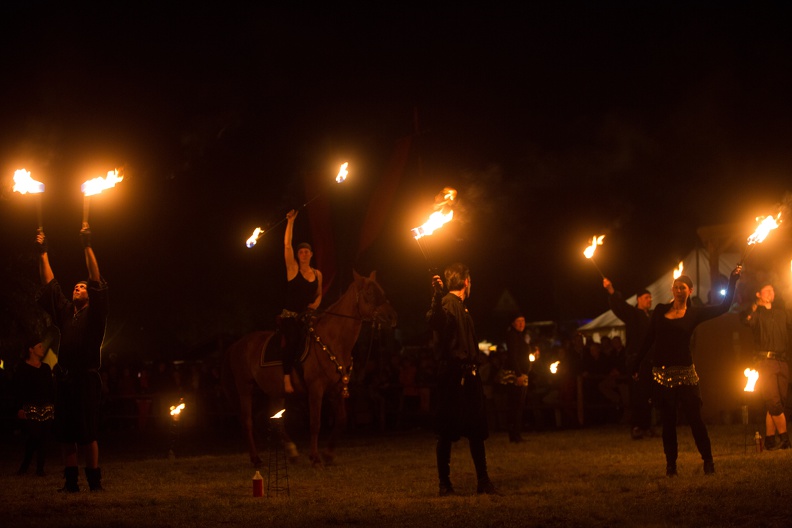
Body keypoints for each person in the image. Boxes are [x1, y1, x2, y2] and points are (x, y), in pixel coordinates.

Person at [633, 268, 741, 476]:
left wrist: (732, 281)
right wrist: (636, 364)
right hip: (662, 377)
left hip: (686, 375)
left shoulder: (694, 313)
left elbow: (724, 306)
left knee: (695, 420)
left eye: (682, 287)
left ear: (690, 291)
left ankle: (708, 461)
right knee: (668, 423)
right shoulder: (660, 310)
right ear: (672, 290)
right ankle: (671, 465)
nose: (678, 290)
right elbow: (648, 339)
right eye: (675, 287)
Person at [36, 224, 109, 492]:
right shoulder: (67, 313)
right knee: (66, 433)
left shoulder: (96, 315)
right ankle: (70, 482)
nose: (77, 288)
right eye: (75, 286)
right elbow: (49, 284)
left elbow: (95, 277)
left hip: (87, 379)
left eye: (82, 287)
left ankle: (93, 481)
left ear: (91, 295)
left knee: (87, 433)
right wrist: (42, 252)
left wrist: (87, 245)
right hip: (65, 380)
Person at [427, 263, 497, 496]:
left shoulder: (461, 307)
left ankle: (483, 482)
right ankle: (444, 484)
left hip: (469, 376)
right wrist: (436, 297)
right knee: (446, 431)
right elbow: (436, 321)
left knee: (476, 429)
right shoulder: (447, 303)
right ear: (466, 281)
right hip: (453, 377)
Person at [603, 279, 655, 439]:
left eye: (650, 297)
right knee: (637, 394)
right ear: (639, 299)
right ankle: (637, 427)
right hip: (635, 361)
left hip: (648, 361)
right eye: (647, 297)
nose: (649, 300)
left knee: (648, 394)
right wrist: (612, 291)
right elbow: (620, 307)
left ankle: (647, 427)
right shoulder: (632, 314)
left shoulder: (651, 317)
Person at [742, 283, 791, 450]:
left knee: (778, 403)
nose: (771, 293)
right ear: (759, 294)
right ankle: (785, 439)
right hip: (765, 362)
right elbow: (745, 320)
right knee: (773, 401)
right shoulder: (757, 313)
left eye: (773, 290)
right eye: (767, 290)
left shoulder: (781, 313)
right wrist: (755, 307)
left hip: (782, 361)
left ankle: (770, 440)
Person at [281, 209, 322, 394]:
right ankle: (287, 377)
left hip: (307, 316)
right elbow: (287, 245)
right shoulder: (292, 268)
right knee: (293, 341)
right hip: (290, 317)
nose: (304, 254)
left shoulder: (317, 274)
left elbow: (319, 294)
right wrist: (290, 222)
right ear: (298, 255)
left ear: (311, 254)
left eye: (307, 252)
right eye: (301, 252)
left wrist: (315, 305)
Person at [14, 337, 55, 476]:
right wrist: (19, 408)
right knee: (34, 435)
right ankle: (25, 464)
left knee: (44, 438)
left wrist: (53, 405)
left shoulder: (45, 368)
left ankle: (40, 469)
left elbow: (50, 388)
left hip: (46, 407)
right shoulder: (22, 368)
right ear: (31, 349)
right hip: (30, 407)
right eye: (39, 346)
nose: (42, 349)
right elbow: (17, 390)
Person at [502, 314, 530, 442]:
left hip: (521, 372)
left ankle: (516, 433)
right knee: (515, 404)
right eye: (518, 321)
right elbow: (513, 356)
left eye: (523, 321)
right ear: (513, 323)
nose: (521, 324)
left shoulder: (519, 336)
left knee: (518, 405)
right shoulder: (512, 335)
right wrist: (519, 374)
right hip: (515, 374)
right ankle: (514, 434)